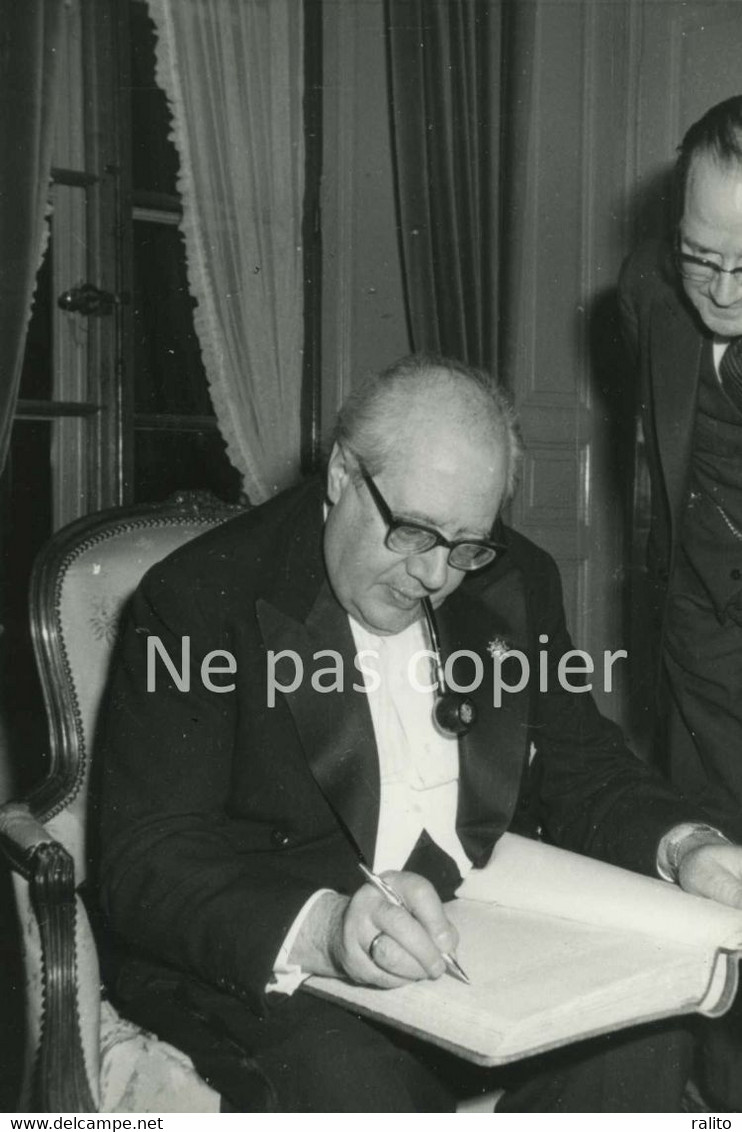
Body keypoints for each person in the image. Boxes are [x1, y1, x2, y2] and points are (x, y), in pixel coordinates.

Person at [98, 353, 742, 1112]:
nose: (437, 576)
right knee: (358, 1084)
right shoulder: (203, 599)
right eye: (414, 533)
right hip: (288, 957)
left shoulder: (513, 580)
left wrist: (688, 848)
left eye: (466, 544)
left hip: (482, 935)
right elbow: (148, 854)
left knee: (647, 1035)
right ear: (342, 475)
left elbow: (584, 764)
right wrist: (328, 929)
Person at [619, 94, 742, 1110]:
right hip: (695, 652)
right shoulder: (648, 293)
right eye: (705, 256)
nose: (725, 290)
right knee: (709, 901)